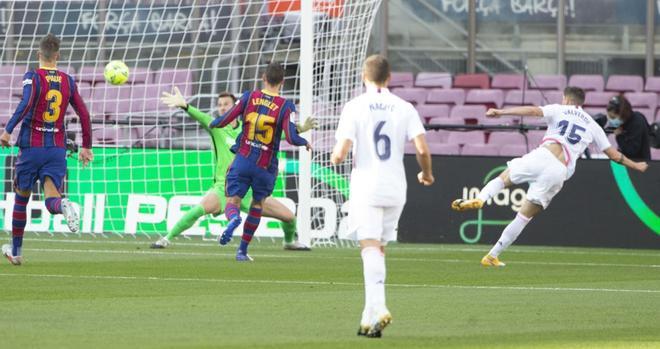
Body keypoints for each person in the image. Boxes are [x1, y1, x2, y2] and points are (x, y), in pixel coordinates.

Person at [451, 87, 648, 267]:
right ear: (581, 102)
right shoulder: (592, 124)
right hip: (559, 171)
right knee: (523, 216)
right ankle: (492, 256)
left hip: (543, 154)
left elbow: (532, 111)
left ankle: (481, 198)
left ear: (566, 98)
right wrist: (636, 165)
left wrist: (501, 112)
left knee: (503, 179)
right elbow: (614, 155)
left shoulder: (559, 109)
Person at [331, 55, 434, 338]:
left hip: (367, 186)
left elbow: (340, 152)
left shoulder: (355, 106)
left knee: (368, 247)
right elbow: (423, 150)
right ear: (389, 78)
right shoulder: (404, 107)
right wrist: (426, 174)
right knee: (379, 249)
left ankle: (381, 306)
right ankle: (368, 319)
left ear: (364, 77)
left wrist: (335, 156)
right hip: (396, 187)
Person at [151, 89, 316, 250]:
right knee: (197, 211)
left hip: (250, 190)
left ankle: (289, 242)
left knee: (289, 217)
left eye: (226, 104)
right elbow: (202, 118)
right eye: (220, 104)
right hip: (224, 188)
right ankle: (165, 239)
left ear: (237, 106)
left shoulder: (249, 128)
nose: (222, 107)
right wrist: (185, 106)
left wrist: (300, 128)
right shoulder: (217, 128)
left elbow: (277, 134)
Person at [1, 33, 93, 265]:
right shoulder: (68, 80)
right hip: (56, 149)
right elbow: (83, 113)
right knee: (52, 199)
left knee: (21, 197)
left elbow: (27, 103)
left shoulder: (33, 76)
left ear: (38, 54)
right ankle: (63, 205)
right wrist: (86, 146)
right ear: (58, 55)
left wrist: (8, 129)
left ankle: (17, 250)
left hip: (31, 147)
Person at [208, 62, 311, 261]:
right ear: (282, 82)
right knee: (257, 204)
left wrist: (214, 123)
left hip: (243, 159)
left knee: (233, 201)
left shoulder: (249, 97)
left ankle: (234, 218)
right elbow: (290, 137)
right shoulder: (286, 106)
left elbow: (226, 118)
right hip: (265, 166)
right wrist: (304, 141)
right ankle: (242, 251)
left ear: (263, 78)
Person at [605, 95, 651, 161]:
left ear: (622, 114)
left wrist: (619, 136)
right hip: (624, 162)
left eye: (613, 117)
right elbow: (606, 130)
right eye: (609, 116)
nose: (611, 120)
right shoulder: (621, 122)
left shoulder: (637, 121)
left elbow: (631, 150)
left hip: (639, 164)